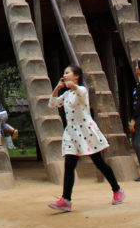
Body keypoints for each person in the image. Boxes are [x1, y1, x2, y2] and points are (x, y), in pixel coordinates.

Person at [47, 65, 125, 211]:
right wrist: (57, 88)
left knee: (99, 162)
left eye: (67, 72)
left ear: (76, 76)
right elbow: (52, 104)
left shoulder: (81, 90)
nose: (65, 74)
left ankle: (117, 190)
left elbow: (80, 91)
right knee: (69, 164)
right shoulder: (67, 94)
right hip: (71, 133)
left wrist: (73, 86)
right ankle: (66, 200)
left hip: (85, 132)